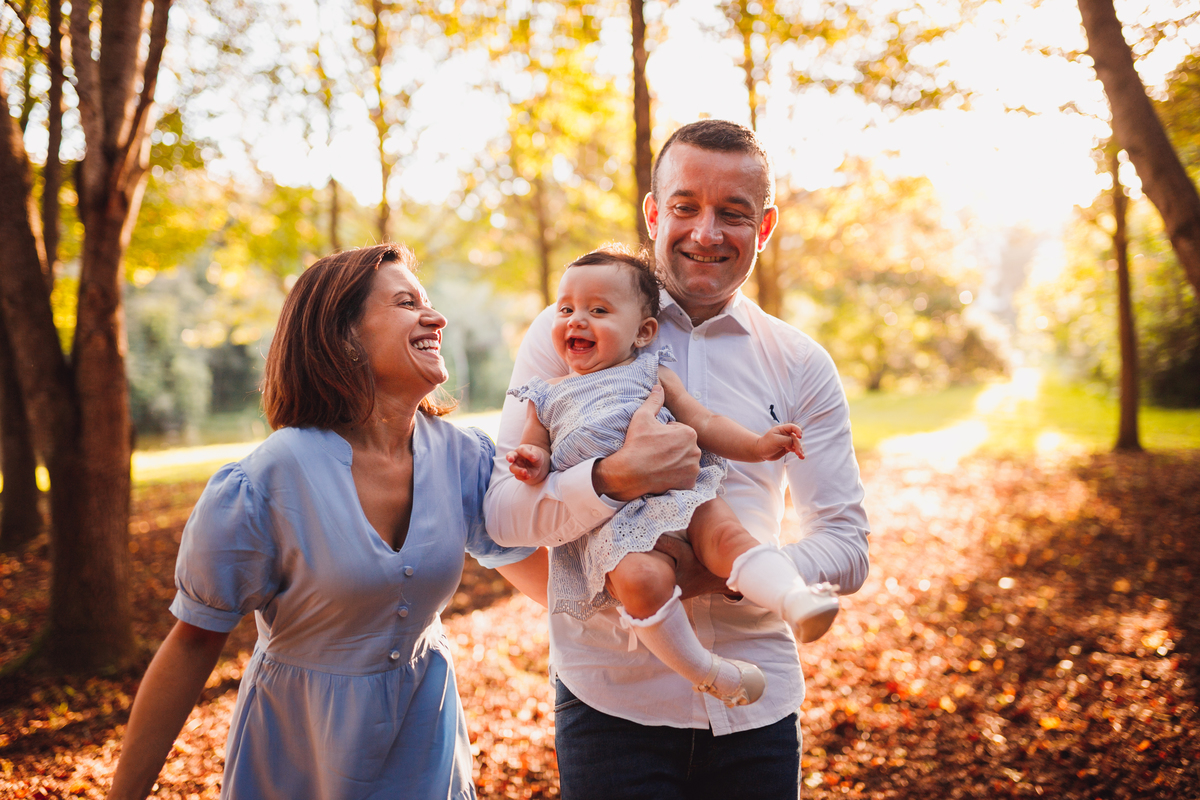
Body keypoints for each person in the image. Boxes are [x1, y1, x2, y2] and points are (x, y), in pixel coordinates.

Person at [484, 120, 870, 798]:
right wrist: (612, 486)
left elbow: (847, 546)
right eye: (687, 206)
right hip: (612, 703)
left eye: (734, 213)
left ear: (767, 226)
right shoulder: (569, 333)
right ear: (654, 212)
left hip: (759, 707)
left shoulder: (801, 363)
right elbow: (500, 520)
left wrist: (721, 576)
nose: (706, 232)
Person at [107, 244, 542, 800]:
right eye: (408, 303)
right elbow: (192, 643)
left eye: (428, 301)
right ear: (343, 337)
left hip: (425, 751)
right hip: (300, 755)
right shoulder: (266, 481)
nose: (436, 317)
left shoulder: (467, 459)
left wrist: (661, 595)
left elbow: (549, 583)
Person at [505, 245, 840, 708]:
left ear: (643, 332)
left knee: (728, 537)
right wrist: (530, 462)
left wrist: (759, 446)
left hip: (683, 491)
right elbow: (535, 451)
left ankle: (794, 599)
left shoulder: (652, 373)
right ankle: (708, 672)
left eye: (598, 310)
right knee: (641, 582)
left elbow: (704, 423)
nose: (576, 320)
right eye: (567, 309)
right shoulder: (544, 394)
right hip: (612, 523)